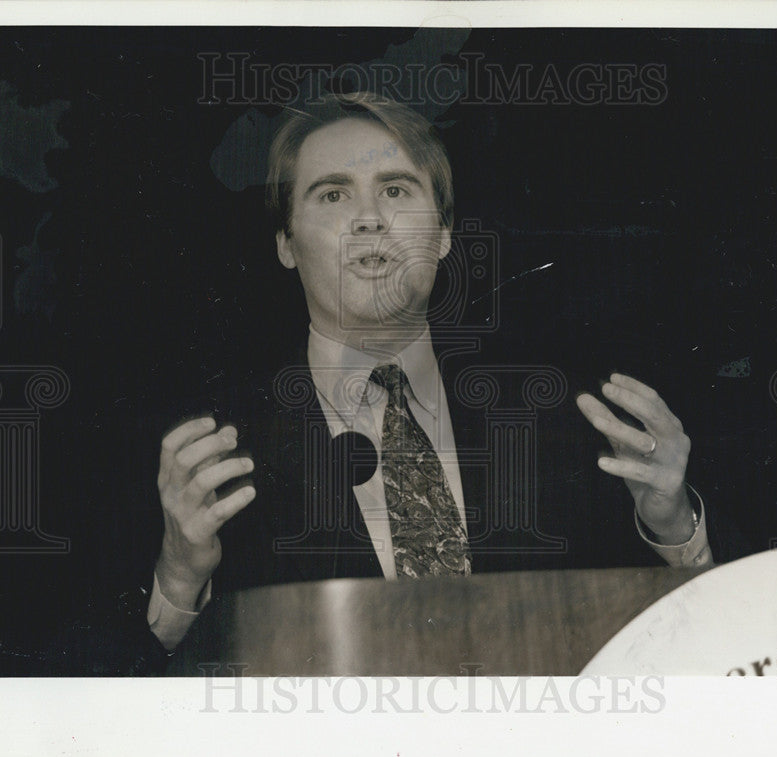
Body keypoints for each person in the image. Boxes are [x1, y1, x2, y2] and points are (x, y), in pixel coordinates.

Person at [146, 92, 713, 652]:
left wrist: (673, 526)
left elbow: (702, 649)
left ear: (442, 235)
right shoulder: (204, 458)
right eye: (333, 195)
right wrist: (178, 577)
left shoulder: (568, 418)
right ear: (286, 244)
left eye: (395, 190)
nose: (369, 219)